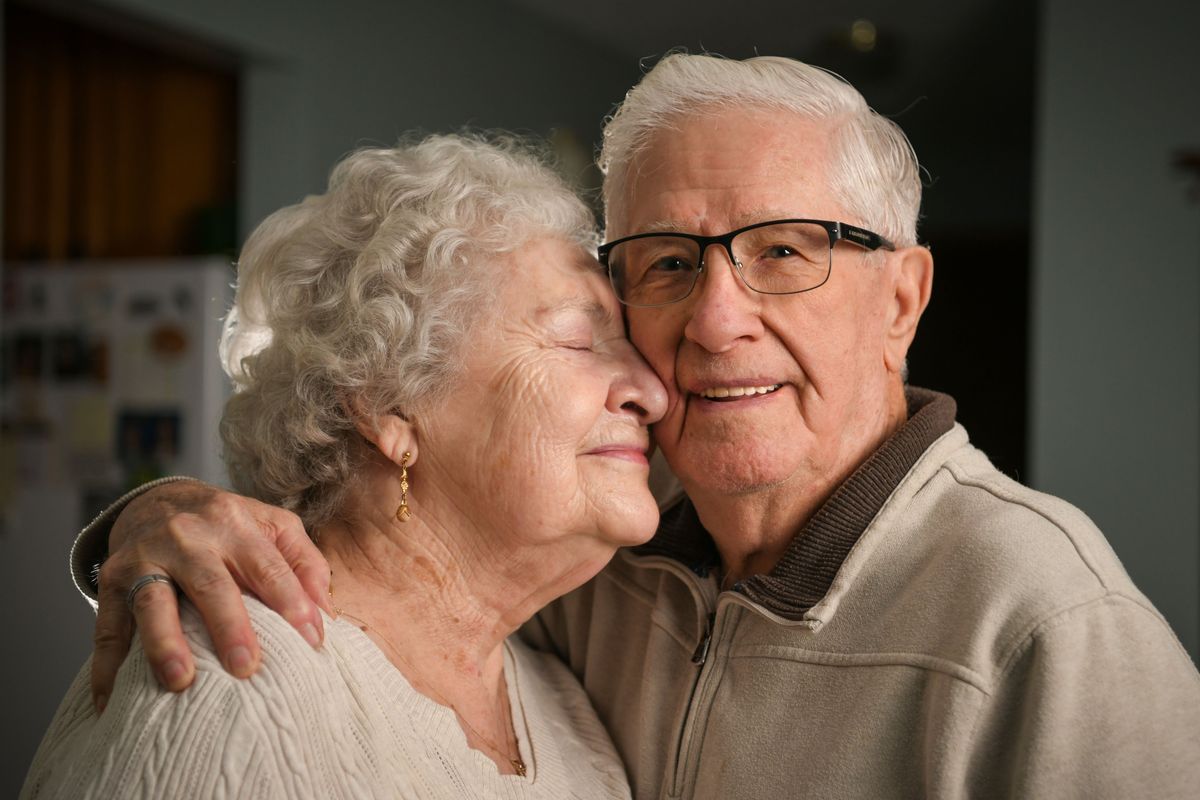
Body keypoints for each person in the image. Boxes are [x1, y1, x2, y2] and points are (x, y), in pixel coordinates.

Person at [61, 54, 1200, 799]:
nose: (709, 325)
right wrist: (150, 515)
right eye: (662, 265)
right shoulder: (597, 583)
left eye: (787, 251)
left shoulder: (1049, 627)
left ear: (901, 299)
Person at [23, 133, 669, 798]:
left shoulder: (572, 721)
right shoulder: (228, 697)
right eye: (580, 340)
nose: (651, 391)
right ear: (390, 404)